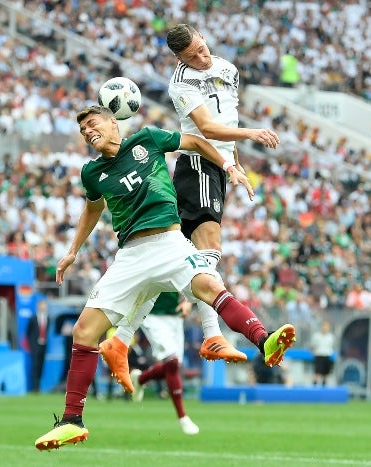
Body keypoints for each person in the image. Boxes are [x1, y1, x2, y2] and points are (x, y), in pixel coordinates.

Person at [34, 105, 295, 451]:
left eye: (91, 123)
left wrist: (229, 166)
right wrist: (72, 250)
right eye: (82, 129)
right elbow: (93, 208)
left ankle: (265, 341)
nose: (86, 131)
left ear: (113, 122)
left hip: (170, 242)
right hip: (131, 256)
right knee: (84, 331)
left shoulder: (147, 139)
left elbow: (197, 143)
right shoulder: (92, 172)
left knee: (210, 287)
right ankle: (71, 421)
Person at [112, 23, 282, 368]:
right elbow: (207, 129)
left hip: (219, 168)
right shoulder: (182, 83)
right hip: (198, 166)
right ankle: (212, 336)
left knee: (171, 264)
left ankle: (121, 339)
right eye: (192, 56)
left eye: (202, 50)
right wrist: (252, 134)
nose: (201, 58)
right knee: (208, 251)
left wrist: (236, 166)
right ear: (179, 58)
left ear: (203, 37)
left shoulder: (228, 69)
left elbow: (227, 120)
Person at [130, 292, 199, 435]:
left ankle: (140, 379)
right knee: (172, 362)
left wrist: (188, 301)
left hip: (175, 315)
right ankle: (182, 417)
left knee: (173, 366)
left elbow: (191, 278)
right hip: (151, 313)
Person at [26, 300, 50, 393]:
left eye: (44, 306)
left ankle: (38, 387)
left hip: (44, 345)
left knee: (41, 365)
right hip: (35, 345)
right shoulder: (33, 318)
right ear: (38, 307)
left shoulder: (48, 318)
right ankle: (34, 387)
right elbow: (28, 332)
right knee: (35, 365)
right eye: (41, 306)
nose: (43, 308)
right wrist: (32, 344)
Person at [310, 320, 335, 387]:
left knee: (325, 374)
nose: (325, 328)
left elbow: (332, 346)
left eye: (327, 326)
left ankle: (324, 389)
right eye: (324, 326)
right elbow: (312, 346)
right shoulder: (316, 336)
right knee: (317, 373)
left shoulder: (331, 337)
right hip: (319, 356)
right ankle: (314, 388)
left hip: (327, 356)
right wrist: (313, 353)